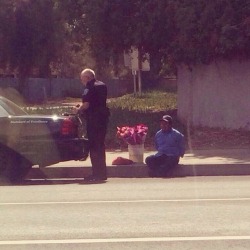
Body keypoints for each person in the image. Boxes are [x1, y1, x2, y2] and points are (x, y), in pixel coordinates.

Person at [75, 68, 110, 181]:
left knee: (94, 147)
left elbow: (86, 105)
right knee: (100, 146)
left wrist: (77, 109)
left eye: (82, 79)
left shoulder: (89, 87)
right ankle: (102, 173)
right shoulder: (102, 85)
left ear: (87, 77)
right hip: (103, 120)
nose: (82, 81)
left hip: (93, 120)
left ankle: (96, 174)